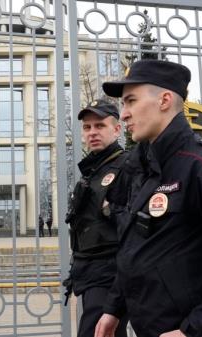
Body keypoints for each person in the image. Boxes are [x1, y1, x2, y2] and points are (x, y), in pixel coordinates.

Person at [94, 60, 202, 337]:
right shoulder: (140, 167)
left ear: (164, 100)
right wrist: (113, 308)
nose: (124, 114)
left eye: (130, 101)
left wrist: (195, 330)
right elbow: (135, 248)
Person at [63, 99, 129, 337]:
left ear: (117, 129)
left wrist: (113, 210)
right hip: (90, 273)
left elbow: (135, 224)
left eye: (99, 126)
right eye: (87, 127)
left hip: (111, 274)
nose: (92, 133)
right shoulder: (93, 170)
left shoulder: (127, 166)